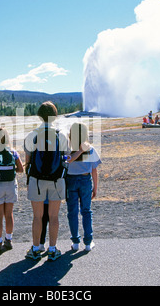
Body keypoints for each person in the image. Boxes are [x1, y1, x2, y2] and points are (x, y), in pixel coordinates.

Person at [24, 101, 69, 261]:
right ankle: (52, 249)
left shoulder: (32, 135)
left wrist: (29, 177)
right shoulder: (61, 135)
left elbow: (27, 160)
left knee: (37, 216)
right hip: (57, 180)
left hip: (36, 180)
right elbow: (66, 157)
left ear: (39, 115)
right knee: (54, 216)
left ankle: (36, 249)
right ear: (55, 115)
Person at [66, 123, 102, 251]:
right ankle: (88, 241)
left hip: (71, 180)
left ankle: (75, 241)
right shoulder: (90, 149)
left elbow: (67, 161)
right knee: (86, 211)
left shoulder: (68, 149)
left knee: (72, 212)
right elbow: (94, 170)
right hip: (85, 180)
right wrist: (95, 187)